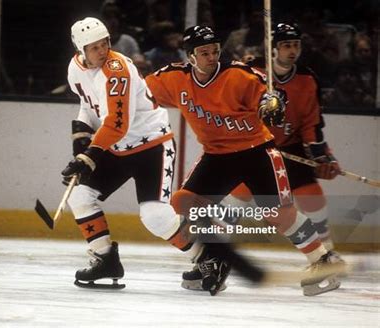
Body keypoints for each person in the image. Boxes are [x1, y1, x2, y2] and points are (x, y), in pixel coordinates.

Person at [61, 18, 264, 294]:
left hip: (151, 146)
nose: (101, 51)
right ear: (80, 49)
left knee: (155, 216)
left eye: (104, 44)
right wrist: (81, 147)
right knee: (80, 196)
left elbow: (116, 125)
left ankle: (207, 256)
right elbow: (88, 107)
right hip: (116, 146)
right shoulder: (76, 69)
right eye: (93, 47)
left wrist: (89, 156)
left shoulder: (117, 71)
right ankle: (105, 260)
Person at [145, 25, 343, 296]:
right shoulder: (172, 78)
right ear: (190, 56)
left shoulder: (238, 74)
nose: (212, 57)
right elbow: (140, 94)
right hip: (216, 155)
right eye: (204, 53)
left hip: (256, 152)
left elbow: (272, 94)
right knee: (182, 202)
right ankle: (212, 260)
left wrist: (272, 105)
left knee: (276, 213)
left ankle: (322, 260)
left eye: (215, 51)